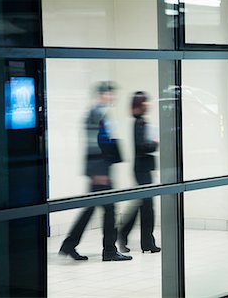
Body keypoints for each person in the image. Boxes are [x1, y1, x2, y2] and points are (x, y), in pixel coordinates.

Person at [59, 81, 132, 262]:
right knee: (109, 209)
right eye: (109, 93)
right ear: (101, 95)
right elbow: (94, 145)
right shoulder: (96, 114)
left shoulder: (100, 113)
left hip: (100, 169)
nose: (112, 97)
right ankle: (109, 251)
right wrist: (99, 171)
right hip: (100, 170)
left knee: (92, 208)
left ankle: (69, 245)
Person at [118, 91, 161, 254]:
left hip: (143, 169)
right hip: (142, 169)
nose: (148, 105)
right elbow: (141, 146)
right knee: (147, 207)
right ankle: (146, 242)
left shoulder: (141, 122)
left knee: (142, 206)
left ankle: (126, 235)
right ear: (139, 105)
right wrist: (155, 143)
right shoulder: (139, 123)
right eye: (145, 102)